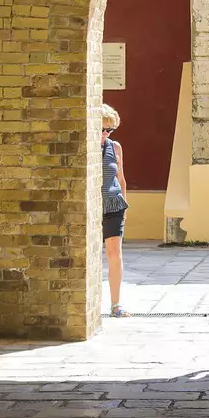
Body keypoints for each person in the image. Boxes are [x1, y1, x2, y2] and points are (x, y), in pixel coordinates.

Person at [99, 103, 128, 318]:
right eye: (103, 129)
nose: (107, 134)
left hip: (114, 205)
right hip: (93, 207)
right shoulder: (88, 148)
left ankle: (116, 305)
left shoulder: (115, 147)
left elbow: (121, 179)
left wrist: (125, 205)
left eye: (110, 130)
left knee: (114, 255)